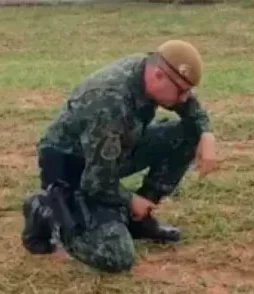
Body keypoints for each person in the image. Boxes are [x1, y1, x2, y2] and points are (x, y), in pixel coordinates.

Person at [21, 39, 217, 273]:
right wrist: (129, 199)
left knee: (190, 132)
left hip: (113, 152)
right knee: (116, 256)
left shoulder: (149, 72)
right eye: (182, 91)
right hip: (73, 168)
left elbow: (188, 107)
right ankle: (46, 211)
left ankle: (138, 219)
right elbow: (96, 182)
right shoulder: (110, 102)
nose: (185, 98)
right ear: (158, 76)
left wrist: (206, 132)